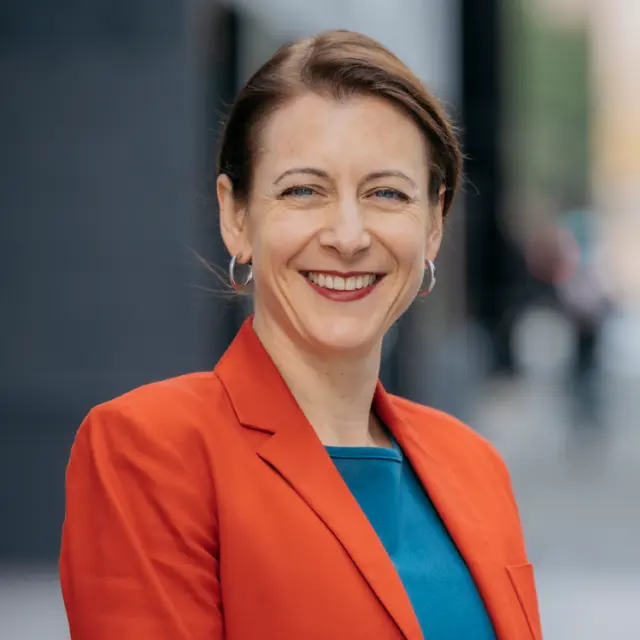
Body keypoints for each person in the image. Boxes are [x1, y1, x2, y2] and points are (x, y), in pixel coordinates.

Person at [60, 30, 542, 640]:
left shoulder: (474, 465)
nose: (348, 236)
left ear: (433, 226)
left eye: (387, 193)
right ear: (236, 216)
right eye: (304, 191)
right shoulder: (149, 451)